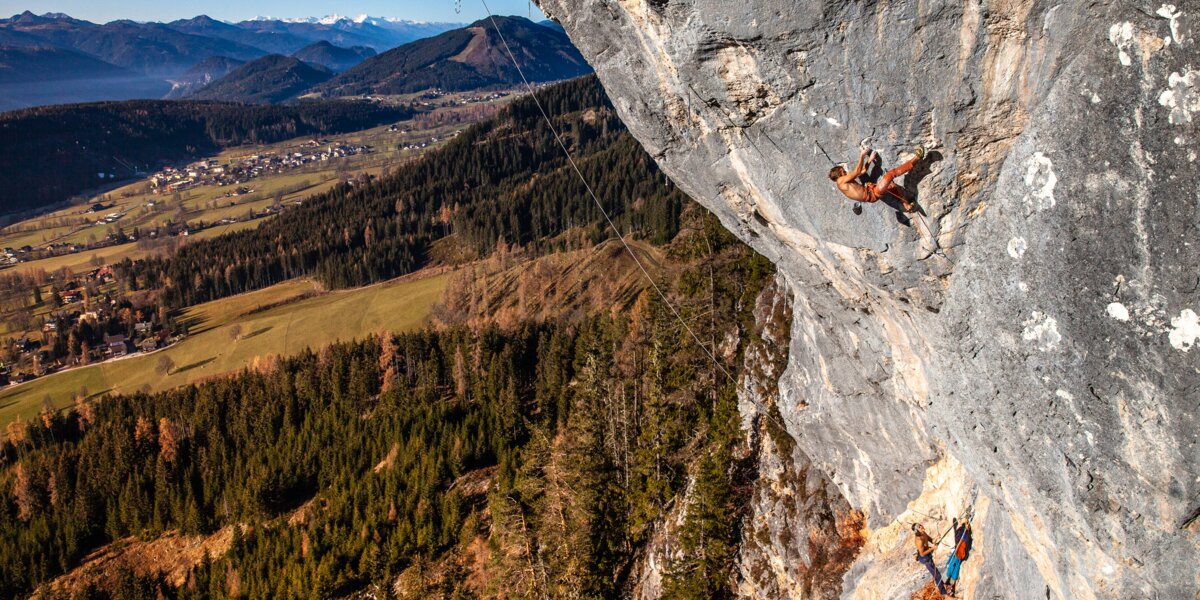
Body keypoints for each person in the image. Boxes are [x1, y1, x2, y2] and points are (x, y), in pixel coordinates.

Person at [829, 145, 925, 212]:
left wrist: (870, 159)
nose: (845, 172)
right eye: (843, 171)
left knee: (892, 186)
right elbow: (857, 171)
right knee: (890, 174)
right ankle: (916, 159)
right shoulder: (840, 181)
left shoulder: (844, 182)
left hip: (872, 192)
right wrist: (862, 155)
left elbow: (862, 171)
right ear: (839, 172)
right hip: (873, 193)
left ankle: (907, 206)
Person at [912, 522, 947, 595]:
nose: (921, 526)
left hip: (927, 555)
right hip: (925, 558)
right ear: (917, 530)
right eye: (919, 527)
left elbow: (931, 540)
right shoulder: (919, 540)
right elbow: (922, 554)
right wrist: (932, 548)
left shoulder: (923, 533)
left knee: (937, 573)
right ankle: (944, 593)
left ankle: (942, 585)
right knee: (937, 575)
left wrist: (936, 538)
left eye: (920, 525)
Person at [944, 518, 973, 597]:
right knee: (953, 566)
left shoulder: (950, 573)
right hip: (959, 552)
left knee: (952, 566)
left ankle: (950, 585)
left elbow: (952, 562)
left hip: (958, 551)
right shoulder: (951, 574)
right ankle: (950, 586)